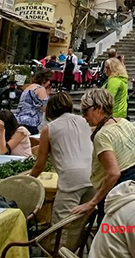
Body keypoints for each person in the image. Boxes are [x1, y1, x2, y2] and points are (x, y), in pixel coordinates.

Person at [74, 88, 135, 220]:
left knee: (108, 233)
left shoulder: (103, 135)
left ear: (98, 108)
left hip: (115, 194)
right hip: (134, 188)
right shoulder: (125, 122)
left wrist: (92, 202)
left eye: (85, 111)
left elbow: (114, 173)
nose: (84, 116)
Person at [30, 91, 93, 249]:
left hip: (71, 180)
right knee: (81, 224)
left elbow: (40, 164)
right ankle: (76, 251)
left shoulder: (49, 128)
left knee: (59, 229)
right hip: (93, 177)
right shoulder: (85, 121)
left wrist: (29, 180)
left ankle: (58, 253)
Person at [15, 67, 52, 134]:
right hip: (30, 122)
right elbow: (45, 108)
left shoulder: (29, 87)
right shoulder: (40, 89)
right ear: (44, 80)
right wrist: (47, 95)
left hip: (19, 119)